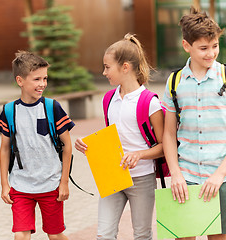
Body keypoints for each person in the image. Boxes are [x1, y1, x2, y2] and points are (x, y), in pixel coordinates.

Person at [75, 33, 164, 240]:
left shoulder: (149, 102)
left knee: (142, 234)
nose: (103, 72)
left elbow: (163, 145)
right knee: (104, 234)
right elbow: (113, 137)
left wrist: (139, 155)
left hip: (142, 178)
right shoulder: (108, 99)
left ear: (125, 67)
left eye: (107, 67)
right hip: (112, 175)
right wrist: (88, 143)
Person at [162, 6, 226, 240]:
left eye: (215, 46)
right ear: (186, 46)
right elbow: (169, 134)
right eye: (203, 48)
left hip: (221, 178)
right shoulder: (174, 81)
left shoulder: (225, 78)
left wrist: (219, 175)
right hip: (186, 177)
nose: (211, 53)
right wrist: (176, 174)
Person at [0, 51, 74, 240]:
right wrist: (4, 184)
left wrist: (64, 183)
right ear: (20, 80)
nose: (42, 84)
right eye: (37, 79)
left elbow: (67, 146)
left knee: (55, 235)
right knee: (21, 235)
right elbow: (5, 149)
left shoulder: (52, 108)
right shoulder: (9, 111)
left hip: (51, 184)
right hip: (21, 186)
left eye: (45, 78)